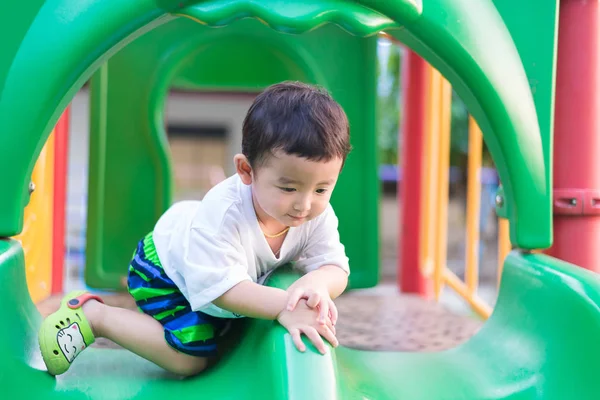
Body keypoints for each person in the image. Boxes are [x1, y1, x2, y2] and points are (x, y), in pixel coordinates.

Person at [38, 81, 352, 377]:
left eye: (322, 190)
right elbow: (227, 292)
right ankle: (96, 317)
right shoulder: (223, 213)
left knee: (230, 336)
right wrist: (286, 306)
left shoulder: (315, 214)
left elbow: (335, 266)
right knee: (191, 358)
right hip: (165, 271)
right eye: (288, 188)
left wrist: (317, 285)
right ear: (246, 170)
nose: (304, 204)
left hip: (213, 274)